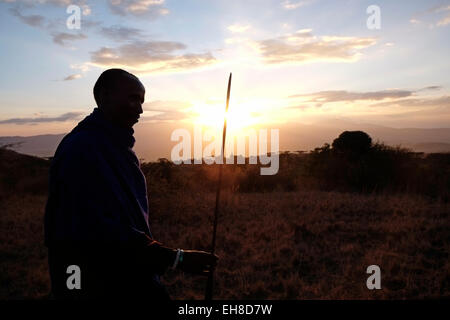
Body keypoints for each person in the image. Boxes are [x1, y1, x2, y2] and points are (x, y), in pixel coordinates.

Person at [44, 68, 218, 299]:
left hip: (131, 274)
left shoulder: (118, 147)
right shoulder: (81, 148)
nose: (140, 109)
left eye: (142, 100)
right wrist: (175, 258)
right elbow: (94, 228)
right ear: (104, 97)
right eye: (133, 98)